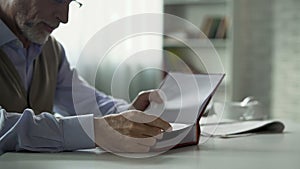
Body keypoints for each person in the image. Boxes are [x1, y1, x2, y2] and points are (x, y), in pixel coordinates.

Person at [0, 0, 172, 154]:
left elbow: (82, 98)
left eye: (70, 3)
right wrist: (94, 131)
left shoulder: (51, 49)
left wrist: (126, 113)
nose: (64, 17)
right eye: (58, 0)